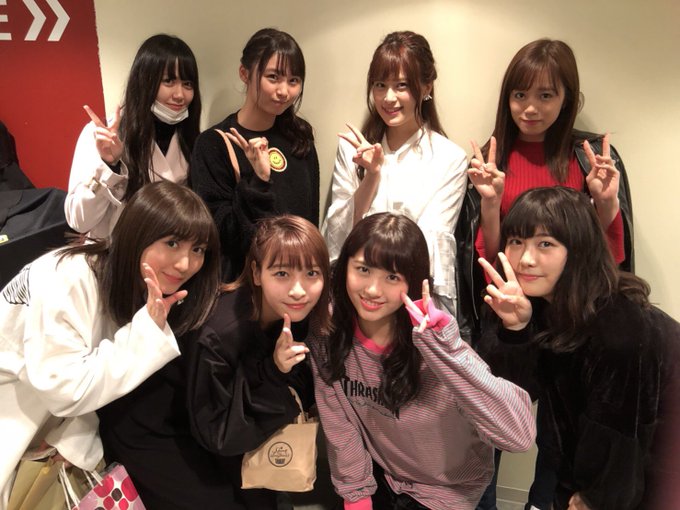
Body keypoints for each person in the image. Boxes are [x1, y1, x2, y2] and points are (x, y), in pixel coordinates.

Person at [0, 181, 220, 508]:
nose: (185, 264)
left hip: (52, 415)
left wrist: (74, 438)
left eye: (198, 249)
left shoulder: (135, 281)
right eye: (172, 243)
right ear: (137, 233)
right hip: (14, 406)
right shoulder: (68, 277)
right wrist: (146, 330)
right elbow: (64, 387)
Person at [98, 215, 330, 509]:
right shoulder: (221, 333)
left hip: (210, 420)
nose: (299, 289)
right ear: (256, 273)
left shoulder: (292, 313)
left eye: (312, 273)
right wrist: (274, 371)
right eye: (282, 273)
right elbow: (219, 433)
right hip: (153, 424)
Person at [308, 212, 535, 510]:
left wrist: (446, 351)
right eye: (363, 269)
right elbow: (340, 426)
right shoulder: (329, 333)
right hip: (385, 479)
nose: (372, 289)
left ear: (415, 282)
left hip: (451, 493)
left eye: (392, 277)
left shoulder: (436, 345)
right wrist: (356, 497)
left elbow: (518, 436)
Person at [478, 186, 680, 510]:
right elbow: (507, 400)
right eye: (516, 241)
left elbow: (621, 436)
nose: (526, 259)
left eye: (545, 243)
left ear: (578, 249)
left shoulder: (618, 329)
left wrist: (595, 499)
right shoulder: (534, 303)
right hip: (587, 461)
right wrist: (515, 330)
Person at [456, 38, 634, 344]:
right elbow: (490, 260)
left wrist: (605, 203)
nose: (530, 108)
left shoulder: (590, 158)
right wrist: (490, 203)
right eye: (520, 95)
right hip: (513, 311)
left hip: (578, 312)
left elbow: (608, 255)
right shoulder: (489, 163)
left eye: (545, 95)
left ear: (566, 99)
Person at [322, 31, 467, 311]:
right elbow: (337, 235)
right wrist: (372, 176)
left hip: (411, 300)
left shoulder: (450, 158)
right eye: (380, 85)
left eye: (402, 85)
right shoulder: (351, 148)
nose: (388, 98)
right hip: (353, 295)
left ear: (427, 87)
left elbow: (431, 244)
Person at [190, 28, 319, 282]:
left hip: (298, 284)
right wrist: (258, 181)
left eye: (293, 80)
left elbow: (310, 221)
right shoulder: (214, 144)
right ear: (244, 73)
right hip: (245, 289)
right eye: (273, 77)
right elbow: (221, 236)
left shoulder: (300, 137)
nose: (284, 91)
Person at [65, 34, 201, 239]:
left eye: (188, 84)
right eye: (169, 81)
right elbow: (79, 221)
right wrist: (109, 166)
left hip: (170, 253)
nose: (180, 94)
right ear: (144, 81)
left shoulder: (192, 139)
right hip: (112, 253)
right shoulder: (103, 136)